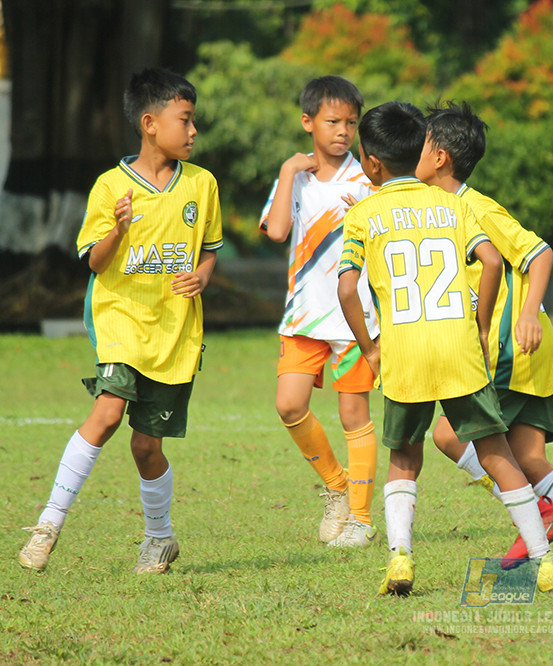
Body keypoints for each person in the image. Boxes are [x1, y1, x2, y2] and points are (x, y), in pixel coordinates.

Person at [337, 101, 553, 596]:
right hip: (460, 349)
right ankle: (546, 562)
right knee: (496, 452)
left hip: (404, 353)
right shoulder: (455, 205)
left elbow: (345, 290)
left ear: (371, 161)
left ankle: (400, 561)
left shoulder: (362, 215)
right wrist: (483, 328)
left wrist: (371, 347)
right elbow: (490, 262)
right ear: (421, 148)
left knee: (403, 458)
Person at [417, 102, 553, 583]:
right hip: (525, 352)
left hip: (512, 349)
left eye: (419, 143)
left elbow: (540, 253)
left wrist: (525, 316)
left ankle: (538, 514)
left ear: (439, 156)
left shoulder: (474, 207)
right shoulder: (435, 211)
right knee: (528, 458)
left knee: (448, 434)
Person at [18, 68, 223, 574]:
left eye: (194, 121)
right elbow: (95, 261)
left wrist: (201, 276)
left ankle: (159, 539)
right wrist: (118, 229)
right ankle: (48, 525)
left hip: (175, 332)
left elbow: (210, 251)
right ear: (150, 123)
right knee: (107, 414)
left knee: (146, 446)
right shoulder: (110, 186)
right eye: (186, 120)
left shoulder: (203, 184)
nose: (193, 131)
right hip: (120, 324)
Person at [260, 76, 379, 547]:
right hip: (305, 315)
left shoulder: (370, 180)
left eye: (350, 123)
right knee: (289, 404)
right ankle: (336, 486)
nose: (343, 131)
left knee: (354, 414)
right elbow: (276, 232)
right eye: (333, 121)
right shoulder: (296, 178)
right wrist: (290, 171)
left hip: (354, 318)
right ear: (308, 122)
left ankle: (362, 520)